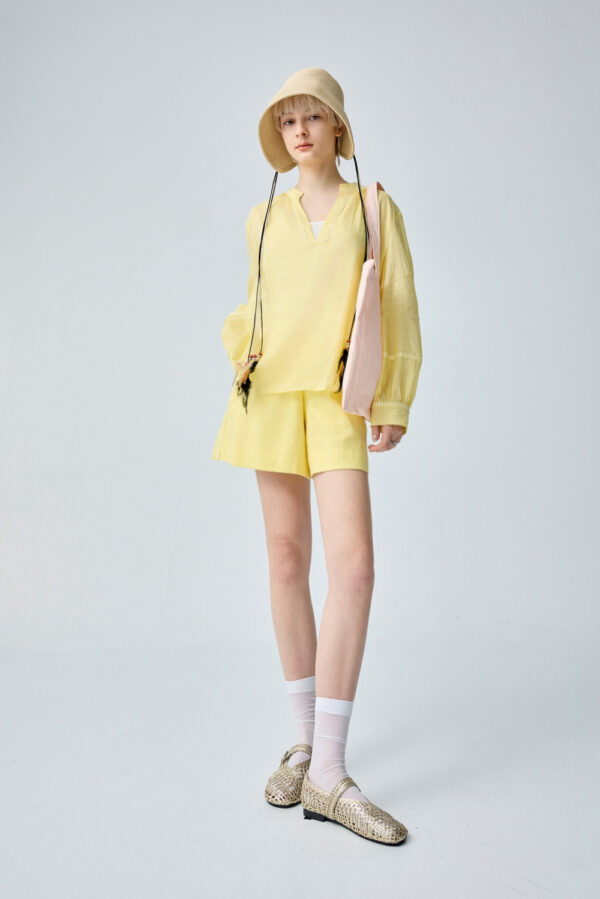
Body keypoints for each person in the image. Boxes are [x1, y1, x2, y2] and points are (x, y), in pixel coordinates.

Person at [212, 67, 423, 845]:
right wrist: (240, 349)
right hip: (270, 396)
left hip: (337, 398)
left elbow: (395, 305)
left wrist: (391, 400)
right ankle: (304, 746)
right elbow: (255, 305)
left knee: (354, 566)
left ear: (337, 125)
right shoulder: (262, 216)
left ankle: (330, 770)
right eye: (288, 120)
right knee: (285, 559)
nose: (300, 130)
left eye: (313, 116)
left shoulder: (374, 208)